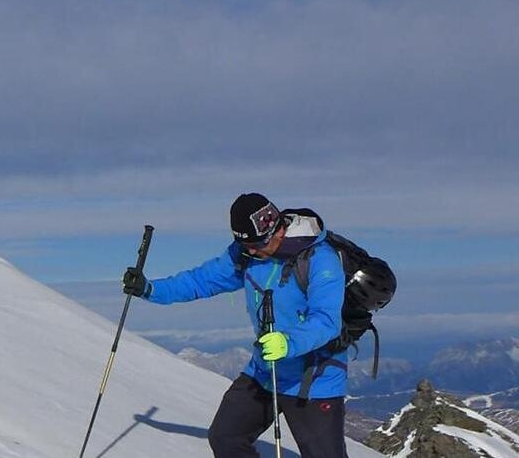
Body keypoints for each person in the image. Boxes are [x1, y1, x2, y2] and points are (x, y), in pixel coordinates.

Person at [122, 193, 349, 457]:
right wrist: (149, 289)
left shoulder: (321, 260)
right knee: (225, 437)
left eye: (256, 244)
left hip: (314, 379)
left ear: (276, 230)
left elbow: (327, 320)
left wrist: (288, 342)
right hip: (265, 370)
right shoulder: (246, 253)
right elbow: (200, 281)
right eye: (245, 245)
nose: (251, 251)